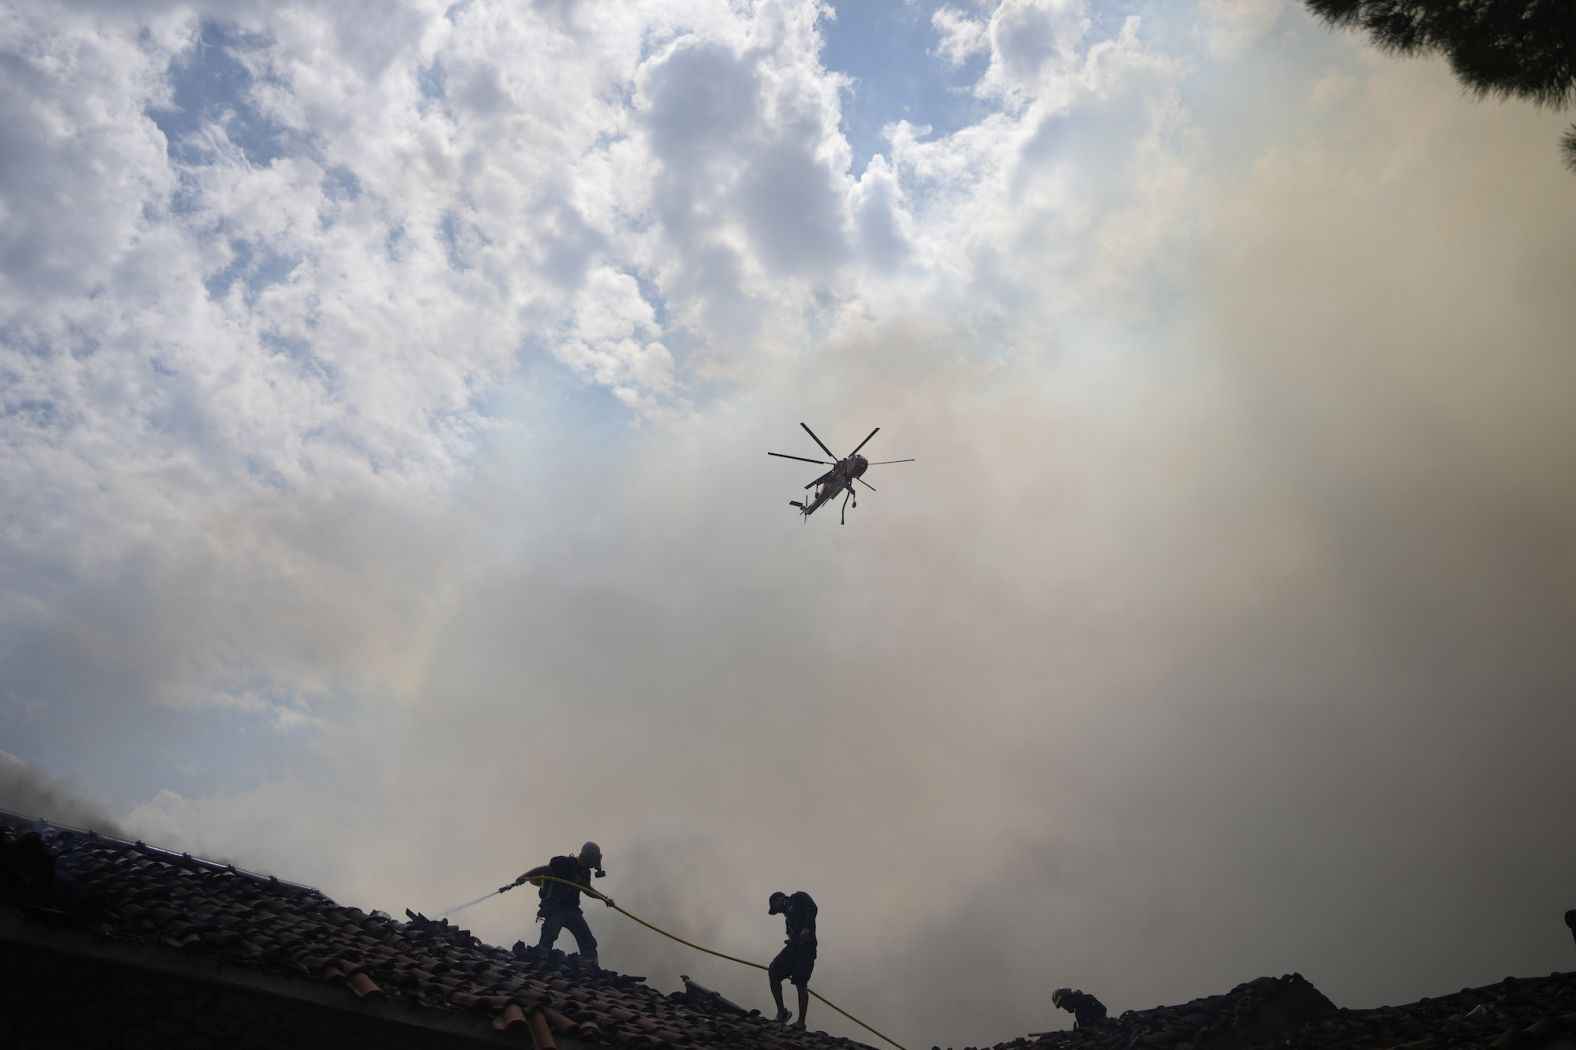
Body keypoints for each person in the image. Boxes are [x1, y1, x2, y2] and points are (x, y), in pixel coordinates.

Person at [501, 842, 614, 968]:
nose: (592, 865)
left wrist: (604, 899)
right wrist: (524, 876)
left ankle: (592, 964)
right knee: (550, 932)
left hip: (572, 909)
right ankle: (542, 958)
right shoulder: (563, 863)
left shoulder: (585, 872)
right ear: (589, 858)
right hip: (556, 907)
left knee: (586, 938)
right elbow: (545, 869)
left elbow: (587, 889)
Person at [767, 890, 817, 1029]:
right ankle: (782, 1011)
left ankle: (801, 1022)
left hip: (806, 949)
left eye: (775, 907)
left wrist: (806, 928)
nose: (777, 912)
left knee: (801, 982)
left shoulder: (798, 897)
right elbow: (792, 932)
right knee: (773, 970)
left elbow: (812, 908)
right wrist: (791, 939)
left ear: (779, 899)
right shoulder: (787, 918)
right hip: (793, 948)